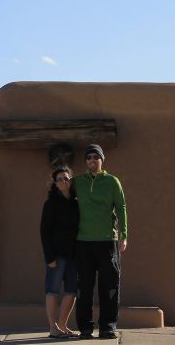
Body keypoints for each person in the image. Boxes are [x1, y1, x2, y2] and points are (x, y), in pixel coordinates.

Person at [73, 144, 128, 340]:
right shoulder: (77, 182)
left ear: (102, 160)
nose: (92, 160)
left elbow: (121, 207)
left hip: (107, 241)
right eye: (88, 157)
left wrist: (124, 234)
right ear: (86, 161)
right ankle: (85, 329)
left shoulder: (113, 182)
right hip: (83, 242)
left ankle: (108, 327)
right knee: (84, 288)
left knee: (110, 287)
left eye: (96, 157)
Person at [40, 165, 79, 339]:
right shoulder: (51, 204)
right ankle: (53, 328)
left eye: (66, 178)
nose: (63, 181)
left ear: (71, 180)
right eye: (60, 179)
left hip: (74, 255)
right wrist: (49, 257)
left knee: (72, 291)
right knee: (52, 291)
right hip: (56, 255)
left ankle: (63, 325)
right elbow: (44, 231)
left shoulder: (77, 202)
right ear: (55, 184)